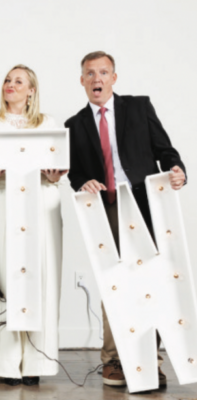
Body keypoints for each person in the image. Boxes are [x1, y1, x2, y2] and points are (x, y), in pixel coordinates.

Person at [65, 51, 186, 387]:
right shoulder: (74, 125)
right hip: (106, 209)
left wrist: (177, 169)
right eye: (90, 73)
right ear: (82, 81)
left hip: (146, 204)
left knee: (151, 283)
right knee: (115, 284)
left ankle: (150, 361)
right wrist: (83, 182)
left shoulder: (138, 107)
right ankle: (114, 361)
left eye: (104, 72)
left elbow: (165, 150)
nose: (97, 79)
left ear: (114, 78)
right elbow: (74, 172)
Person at [0, 65, 66, 387]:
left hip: (43, 204)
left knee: (43, 278)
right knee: (7, 279)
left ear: (31, 91)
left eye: (18, 81)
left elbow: (59, 170)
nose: (10, 85)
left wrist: (55, 175)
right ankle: (9, 363)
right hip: (8, 204)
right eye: (7, 80)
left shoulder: (49, 124)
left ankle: (37, 363)